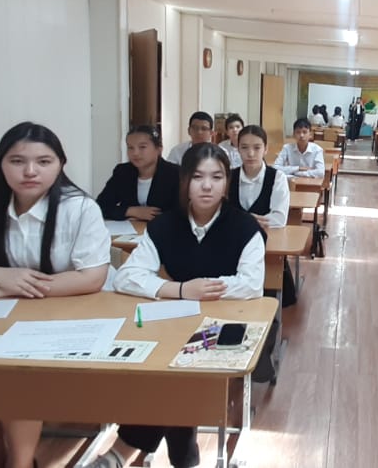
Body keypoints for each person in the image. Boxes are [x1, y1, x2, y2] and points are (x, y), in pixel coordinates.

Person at [0, 122, 110, 468]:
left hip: (69, 314)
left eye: (44, 162)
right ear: (0, 164)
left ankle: (21, 462)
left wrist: (10, 290)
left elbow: (92, 278)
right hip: (1, 316)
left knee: (17, 377)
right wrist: (1, 277)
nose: (30, 171)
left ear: (60, 164)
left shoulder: (79, 208)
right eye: (17, 161)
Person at [99, 143, 272, 468]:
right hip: (175, 320)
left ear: (227, 183)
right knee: (166, 369)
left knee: (175, 375)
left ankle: (122, 453)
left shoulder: (245, 227)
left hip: (228, 327)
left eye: (217, 177)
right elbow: (127, 277)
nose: (207, 186)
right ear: (184, 182)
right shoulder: (166, 225)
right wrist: (180, 290)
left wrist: (201, 289)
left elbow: (250, 285)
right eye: (197, 177)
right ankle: (183, 455)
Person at [230, 125, 299, 306]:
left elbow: (278, 219)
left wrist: (239, 220)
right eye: (244, 147)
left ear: (266, 149)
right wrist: (250, 220)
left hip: (268, 244)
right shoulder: (229, 177)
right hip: (232, 245)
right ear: (237, 149)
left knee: (269, 297)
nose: (250, 153)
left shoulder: (277, 178)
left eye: (257, 147)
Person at [95, 125, 180, 221]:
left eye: (142, 147)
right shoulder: (122, 172)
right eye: (130, 148)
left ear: (159, 149)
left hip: (164, 228)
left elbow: (182, 213)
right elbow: (100, 206)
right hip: (129, 228)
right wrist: (131, 211)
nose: (135, 153)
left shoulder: (175, 173)